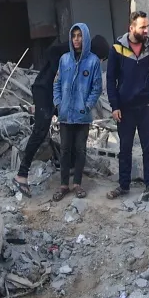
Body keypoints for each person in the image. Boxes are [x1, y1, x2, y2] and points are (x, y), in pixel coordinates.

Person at [106, 12, 149, 198]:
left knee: (148, 148)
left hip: (147, 106)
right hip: (125, 109)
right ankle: (123, 186)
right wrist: (114, 106)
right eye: (142, 27)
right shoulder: (118, 48)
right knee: (125, 148)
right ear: (131, 28)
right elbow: (110, 79)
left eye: (147, 26)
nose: (146, 30)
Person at [52, 22, 102, 199]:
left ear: (85, 37)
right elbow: (56, 84)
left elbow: (97, 88)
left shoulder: (93, 61)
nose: (76, 39)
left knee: (80, 150)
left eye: (79, 36)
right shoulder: (64, 59)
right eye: (73, 36)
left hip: (82, 116)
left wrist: (87, 106)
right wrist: (58, 103)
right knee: (65, 150)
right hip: (65, 114)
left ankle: (77, 184)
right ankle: (64, 184)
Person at [14, 39, 60, 189]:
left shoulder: (85, 58)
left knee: (70, 124)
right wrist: (56, 69)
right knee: (40, 131)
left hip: (54, 95)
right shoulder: (71, 49)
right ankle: (21, 175)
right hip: (44, 92)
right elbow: (51, 51)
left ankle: (66, 164)